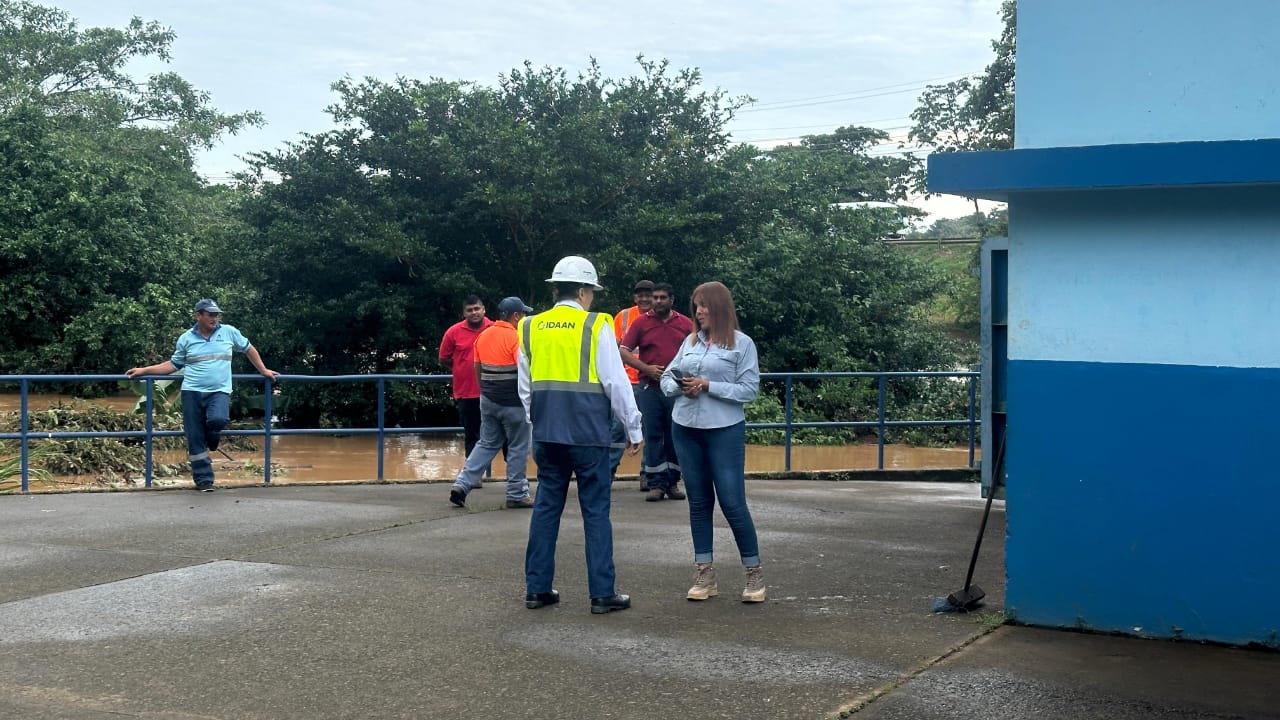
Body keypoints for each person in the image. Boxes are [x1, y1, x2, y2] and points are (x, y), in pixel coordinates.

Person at [519, 255, 642, 615]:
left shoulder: (528, 327)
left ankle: (536, 590)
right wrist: (633, 427)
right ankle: (602, 594)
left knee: (545, 509)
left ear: (555, 289)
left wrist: (537, 423)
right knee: (595, 512)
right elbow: (616, 382)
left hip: (547, 434)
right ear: (586, 291)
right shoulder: (595, 325)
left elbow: (525, 388)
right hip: (589, 435)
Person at [660, 281, 765, 603]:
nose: (698, 311)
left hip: (723, 430)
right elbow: (666, 379)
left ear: (719, 307)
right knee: (699, 503)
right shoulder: (689, 342)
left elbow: (749, 390)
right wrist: (682, 386)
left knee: (732, 503)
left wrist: (709, 385)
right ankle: (704, 574)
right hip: (686, 428)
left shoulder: (742, 344)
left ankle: (753, 574)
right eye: (695, 305)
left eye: (704, 305)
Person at [126, 298, 279, 492]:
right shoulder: (186, 338)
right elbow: (173, 365)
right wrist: (145, 370)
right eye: (210, 315)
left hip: (219, 391)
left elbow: (249, 349)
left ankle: (213, 437)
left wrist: (263, 370)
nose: (214, 318)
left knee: (218, 419)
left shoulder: (229, 332)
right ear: (199, 315)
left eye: (216, 315)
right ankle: (204, 480)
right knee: (195, 437)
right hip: (191, 392)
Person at [448, 297, 535, 509]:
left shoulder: (483, 336)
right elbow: (525, 372)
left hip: (487, 400)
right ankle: (517, 493)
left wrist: (485, 394)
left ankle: (462, 484)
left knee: (486, 443)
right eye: (522, 314)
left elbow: (476, 368)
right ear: (516, 316)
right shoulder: (517, 338)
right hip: (514, 404)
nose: (523, 317)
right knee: (517, 447)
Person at [619, 282, 693, 502]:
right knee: (652, 436)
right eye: (655, 297)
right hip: (649, 388)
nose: (658, 301)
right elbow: (623, 352)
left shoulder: (686, 324)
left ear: (672, 299)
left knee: (675, 435)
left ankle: (672, 483)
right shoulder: (641, 323)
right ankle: (656, 484)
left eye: (662, 297)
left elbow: (698, 350)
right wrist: (646, 369)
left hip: (676, 391)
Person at [439, 295, 494, 463]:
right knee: (472, 435)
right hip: (466, 393)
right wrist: (460, 368)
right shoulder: (453, 332)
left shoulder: (494, 329)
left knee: (504, 434)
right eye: (469, 310)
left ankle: (515, 477)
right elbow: (444, 358)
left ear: (484, 309)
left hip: (494, 391)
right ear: (464, 313)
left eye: (477, 309)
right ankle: (474, 476)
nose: (474, 312)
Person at [609, 280, 653, 485]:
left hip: (649, 382)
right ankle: (607, 472)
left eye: (648, 294)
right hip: (624, 382)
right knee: (616, 429)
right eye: (640, 295)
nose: (644, 298)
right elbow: (612, 348)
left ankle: (648, 473)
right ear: (635, 297)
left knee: (649, 430)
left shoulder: (661, 318)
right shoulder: (623, 316)